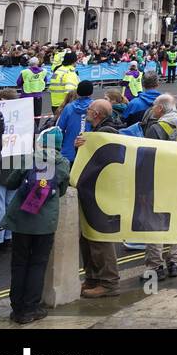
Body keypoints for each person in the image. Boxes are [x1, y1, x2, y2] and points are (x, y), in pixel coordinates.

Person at [0, 126, 69, 323]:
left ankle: (17, 308)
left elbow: (12, 182)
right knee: (38, 264)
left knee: (19, 263)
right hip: (44, 223)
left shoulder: (29, 157)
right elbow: (62, 191)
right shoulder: (62, 162)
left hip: (21, 219)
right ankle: (31, 309)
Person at [72, 99, 121, 297]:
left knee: (100, 238)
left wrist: (87, 146)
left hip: (101, 193)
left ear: (98, 114)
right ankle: (92, 278)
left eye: (90, 109)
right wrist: (80, 147)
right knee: (87, 237)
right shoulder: (99, 130)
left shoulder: (107, 132)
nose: (87, 112)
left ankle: (108, 282)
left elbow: (103, 161)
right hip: (91, 190)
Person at [140, 96, 177, 278]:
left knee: (155, 225)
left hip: (159, 182)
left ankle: (155, 266)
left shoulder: (155, 128)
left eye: (155, 106)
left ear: (160, 109)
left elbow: (147, 159)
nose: (153, 109)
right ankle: (175, 262)